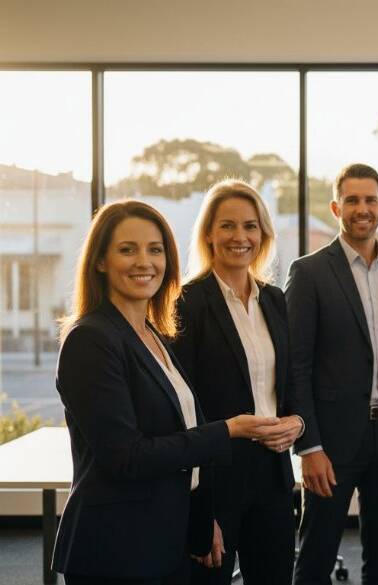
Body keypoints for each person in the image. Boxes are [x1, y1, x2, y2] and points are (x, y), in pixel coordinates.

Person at [53, 200, 280, 585]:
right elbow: (127, 457)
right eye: (128, 249)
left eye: (155, 249)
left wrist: (202, 519)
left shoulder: (153, 335)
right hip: (117, 549)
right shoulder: (90, 340)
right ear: (101, 261)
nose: (145, 261)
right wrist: (227, 430)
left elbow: (179, 431)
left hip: (165, 537)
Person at [285, 163, 378, 585]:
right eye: (352, 200)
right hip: (332, 440)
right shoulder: (309, 272)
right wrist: (309, 445)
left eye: (370, 200)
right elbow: (297, 366)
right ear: (336, 207)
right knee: (316, 556)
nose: (361, 208)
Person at [171, 180, 305, 584]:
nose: (240, 236)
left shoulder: (274, 298)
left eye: (250, 226)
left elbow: (291, 382)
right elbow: (182, 406)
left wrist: (298, 423)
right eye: (227, 225)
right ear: (209, 233)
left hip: (273, 474)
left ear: (263, 234)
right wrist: (200, 508)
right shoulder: (186, 302)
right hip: (216, 478)